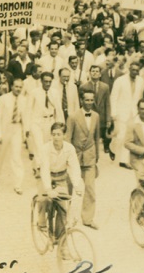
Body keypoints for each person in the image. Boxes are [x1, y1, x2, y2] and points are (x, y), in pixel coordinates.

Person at [36, 123, 85, 243]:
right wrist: (48, 189)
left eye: (59, 134)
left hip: (61, 178)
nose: (56, 137)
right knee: (44, 199)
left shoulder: (69, 148)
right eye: (53, 134)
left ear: (64, 135)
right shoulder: (45, 149)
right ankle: (41, 223)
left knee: (63, 207)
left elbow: (74, 168)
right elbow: (45, 169)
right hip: (46, 177)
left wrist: (77, 184)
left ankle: (60, 239)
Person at [65, 89, 102, 230]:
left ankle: (88, 218)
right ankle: (64, 216)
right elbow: (67, 139)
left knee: (90, 189)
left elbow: (96, 137)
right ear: (81, 100)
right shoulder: (73, 117)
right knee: (68, 188)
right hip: (75, 158)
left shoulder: (96, 116)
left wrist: (96, 156)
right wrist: (67, 159)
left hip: (90, 158)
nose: (89, 103)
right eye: (87, 100)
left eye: (92, 100)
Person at [0, 77, 27, 194]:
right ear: (11, 86)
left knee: (16, 156)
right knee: (0, 153)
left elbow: (26, 117)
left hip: (16, 128)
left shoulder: (24, 100)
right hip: (4, 128)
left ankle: (18, 184)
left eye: (20, 87)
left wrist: (25, 132)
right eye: (16, 86)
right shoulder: (3, 99)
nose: (18, 89)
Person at [110, 61, 144, 169]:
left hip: (134, 113)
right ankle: (116, 152)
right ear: (129, 69)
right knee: (121, 136)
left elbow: (140, 96)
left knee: (130, 137)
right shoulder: (120, 81)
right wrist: (114, 113)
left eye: (137, 70)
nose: (135, 72)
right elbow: (113, 97)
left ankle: (125, 159)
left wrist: (140, 112)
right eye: (133, 70)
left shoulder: (141, 81)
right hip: (122, 112)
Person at [81, 65, 112, 154]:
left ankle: (100, 151)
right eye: (93, 71)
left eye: (97, 71)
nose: (95, 73)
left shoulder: (105, 87)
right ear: (90, 73)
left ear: (100, 74)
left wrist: (108, 119)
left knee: (100, 135)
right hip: (90, 115)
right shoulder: (84, 87)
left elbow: (107, 103)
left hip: (102, 116)